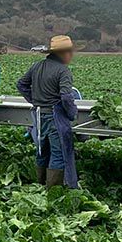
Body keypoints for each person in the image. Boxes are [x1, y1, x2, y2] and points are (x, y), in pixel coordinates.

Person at [17, 35, 78, 189]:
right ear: (62, 53)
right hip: (54, 116)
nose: (71, 55)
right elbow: (66, 97)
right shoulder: (63, 71)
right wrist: (72, 113)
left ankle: (40, 185)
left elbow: (21, 84)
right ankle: (53, 190)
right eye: (69, 52)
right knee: (58, 153)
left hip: (38, 116)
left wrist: (35, 101)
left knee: (42, 151)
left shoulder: (37, 66)